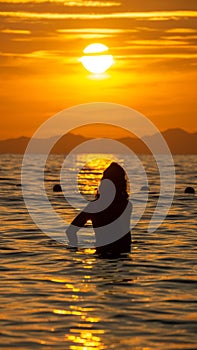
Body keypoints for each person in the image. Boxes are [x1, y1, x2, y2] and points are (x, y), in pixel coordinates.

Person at [66, 162, 132, 256]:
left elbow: (70, 231)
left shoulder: (94, 207)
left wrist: (75, 250)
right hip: (123, 254)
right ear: (122, 183)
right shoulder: (127, 205)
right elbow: (126, 238)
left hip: (102, 253)